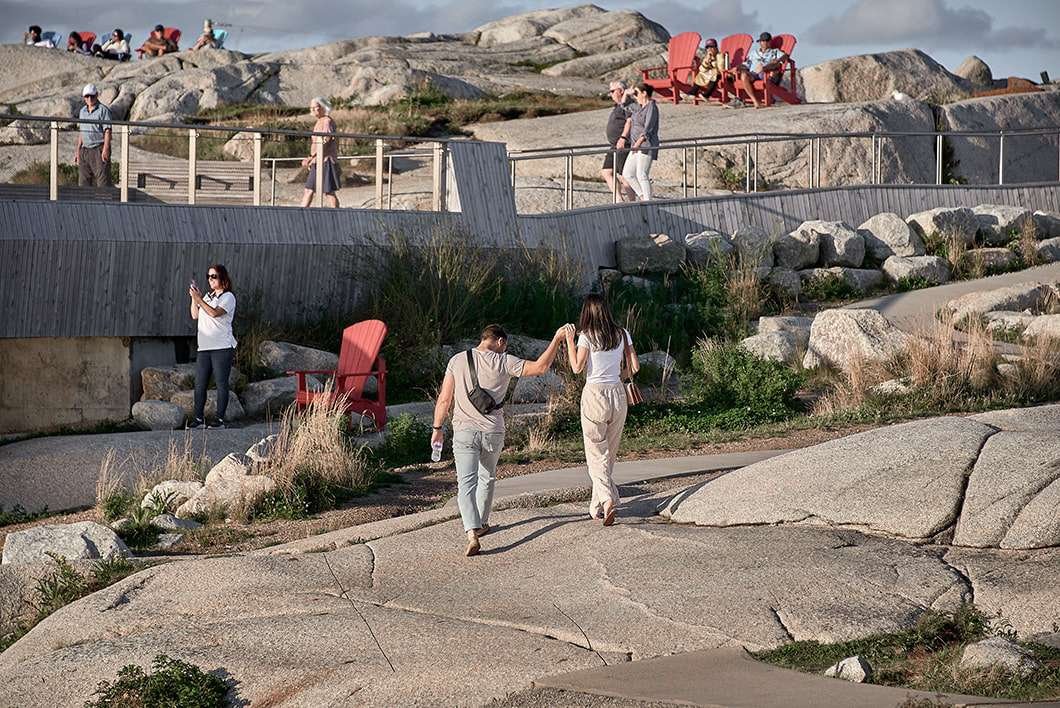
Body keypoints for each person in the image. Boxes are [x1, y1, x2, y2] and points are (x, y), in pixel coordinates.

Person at [431, 324, 568, 557]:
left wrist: (437, 428)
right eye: (505, 346)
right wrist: (556, 339)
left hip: (464, 432)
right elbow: (541, 367)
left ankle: (471, 532)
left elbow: (445, 399)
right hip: (493, 431)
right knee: (487, 477)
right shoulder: (504, 361)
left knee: (466, 484)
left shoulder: (457, 360)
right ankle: (482, 523)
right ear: (500, 341)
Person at [562, 295, 639, 526]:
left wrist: (569, 340)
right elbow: (635, 366)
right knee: (608, 455)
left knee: (596, 454)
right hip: (617, 394)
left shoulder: (586, 336)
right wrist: (618, 375)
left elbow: (576, 367)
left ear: (587, 312)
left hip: (595, 395)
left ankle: (607, 499)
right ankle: (596, 506)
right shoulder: (622, 333)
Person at [188, 264, 237, 430]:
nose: (210, 279)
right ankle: (198, 419)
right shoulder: (207, 297)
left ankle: (219, 420)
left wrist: (199, 300)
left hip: (222, 346)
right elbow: (195, 315)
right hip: (204, 347)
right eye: (208, 276)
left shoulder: (228, 297)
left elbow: (215, 313)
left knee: (221, 383)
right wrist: (194, 299)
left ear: (222, 277)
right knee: (199, 384)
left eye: (214, 276)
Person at [619, 83, 659, 201]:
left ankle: (648, 202)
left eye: (636, 93)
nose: (635, 96)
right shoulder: (638, 107)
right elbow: (624, 105)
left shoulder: (651, 107)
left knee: (642, 174)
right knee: (628, 174)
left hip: (645, 145)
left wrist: (639, 142)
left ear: (644, 93)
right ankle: (642, 196)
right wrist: (627, 93)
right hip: (635, 145)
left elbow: (648, 128)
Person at [300, 97, 341, 208]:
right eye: (311, 108)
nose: (312, 110)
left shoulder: (327, 121)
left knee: (328, 191)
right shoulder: (320, 121)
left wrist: (311, 156)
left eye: (315, 107)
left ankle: (337, 214)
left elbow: (326, 139)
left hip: (325, 160)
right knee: (309, 190)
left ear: (322, 107)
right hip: (317, 160)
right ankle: (300, 213)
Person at [601, 80, 636, 202]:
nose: (610, 94)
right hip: (614, 145)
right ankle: (618, 199)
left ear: (620, 91)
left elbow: (630, 121)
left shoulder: (628, 104)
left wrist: (623, 137)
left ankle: (632, 202)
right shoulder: (618, 105)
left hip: (623, 144)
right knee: (607, 171)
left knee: (625, 175)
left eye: (612, 91)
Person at [735, 32, 787, 109]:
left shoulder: (775, 52)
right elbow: (746, 64)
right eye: (763, 41)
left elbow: (785, 56)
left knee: (761, 67)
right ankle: (755, 101)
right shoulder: (753, 53)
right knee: (743, 75)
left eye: (767, 41)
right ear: (760, 42)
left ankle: (754, 101)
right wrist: (737, 67)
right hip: (753, 74)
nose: (765, 43)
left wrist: (777, 61)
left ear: (770, 41)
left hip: (766, 74)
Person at [74, 84, 112, 187]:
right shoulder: (82, 111)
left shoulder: (103, 110)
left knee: (103, 182)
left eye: (92, 96)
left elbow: (107, 131)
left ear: (97, 95)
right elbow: (82, 132)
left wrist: (105, 149)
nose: (90, 99)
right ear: (84, 97)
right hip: (85, 150)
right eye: (87, 96)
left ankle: (104, 198)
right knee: (83, 183)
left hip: (98, 149)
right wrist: (78, 151)